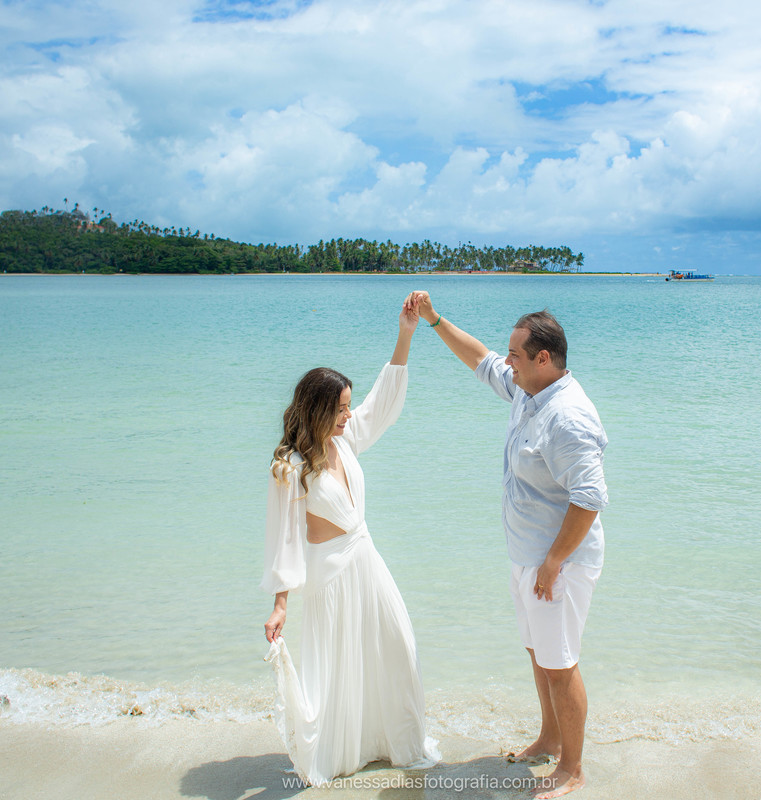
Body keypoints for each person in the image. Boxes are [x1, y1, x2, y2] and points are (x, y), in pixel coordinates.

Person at [405, 291, 607, 800]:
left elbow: (590, 499)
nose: (507, 362)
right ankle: (548, 739)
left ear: (544, 359)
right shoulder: (526, 390)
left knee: (560, 663)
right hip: (528, 555)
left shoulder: (569, 417)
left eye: (516, 354)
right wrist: (434, 320)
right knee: (539, 653)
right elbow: (479, 358)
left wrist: (553, 562)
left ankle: (573, 768)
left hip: (559, 562)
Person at [260, 300, 440, 786]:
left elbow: (382, 404)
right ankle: (343, 753)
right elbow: (285, 541)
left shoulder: (344, 440)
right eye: (339, 409)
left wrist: (406, 334)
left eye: (346, 408)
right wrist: (280, 605)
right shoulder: (291, 467)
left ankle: (391, 742)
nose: (347, 416)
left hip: (367, 562)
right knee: (338, 672)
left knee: (397, 647)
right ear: (318, 410)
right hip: (329, 575)